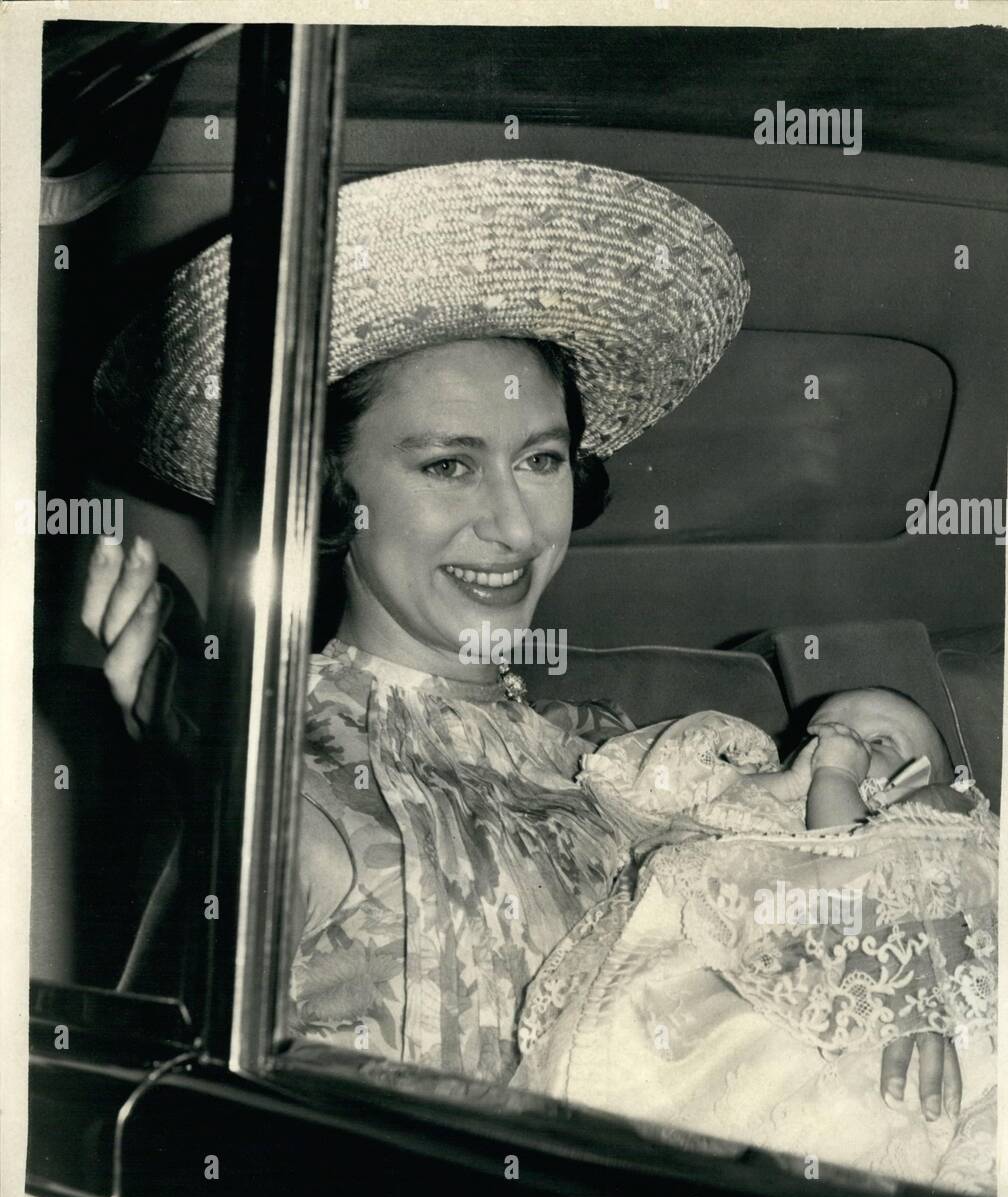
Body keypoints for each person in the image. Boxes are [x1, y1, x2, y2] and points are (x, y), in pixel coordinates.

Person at [82, 157, 960, 1124]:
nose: (512, 522)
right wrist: (199, 747)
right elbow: (168, 1091)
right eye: (448, 465)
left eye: (540, 459)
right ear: (331, 493)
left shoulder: (612, 752)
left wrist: (895, 979)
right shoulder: (291, 757)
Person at [512, 690, 998, 1192]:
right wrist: (781, 784)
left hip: (832, 1003)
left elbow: (848, 868)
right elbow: (674, 807)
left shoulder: (923, 816)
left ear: (926, 777)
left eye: (878, 739)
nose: (841, 742)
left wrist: (837, 778)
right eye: (821, 734)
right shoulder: (774, 812)